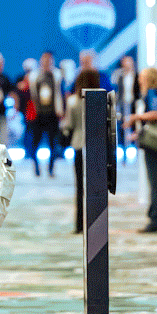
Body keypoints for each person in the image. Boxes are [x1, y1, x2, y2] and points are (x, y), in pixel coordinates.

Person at [122, 67, 157, 234]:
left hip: (155, 145)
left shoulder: (152, 93)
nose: (139, 80)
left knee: (156, 182)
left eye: (142, 78)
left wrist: (137, 117)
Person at [63, 68, 104, 233]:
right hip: (97, 147)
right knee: (96, 189)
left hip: (79, 145)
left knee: (79, 188)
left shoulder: (72, 101)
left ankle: (79, 225)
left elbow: (68, 125)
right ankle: (96, 224)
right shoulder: (102, 99)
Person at [27, 52, 66, 177]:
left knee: (53, 143)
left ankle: (51, 168)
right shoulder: (33, 76)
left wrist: (62, 111)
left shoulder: (58, 75)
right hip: (38, 115)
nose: (46, 62)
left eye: (49, 60)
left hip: (53, 114)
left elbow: (62, 93)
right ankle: (37, 167)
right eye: (44, 59)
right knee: (34, 143)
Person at [112, 55, 139, 151]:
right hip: (122, 104)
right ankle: (122, 146)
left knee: (132, 124)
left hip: (133, 104)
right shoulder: (120, 76)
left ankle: (132, 146)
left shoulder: (136, 76)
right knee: (122, 124)